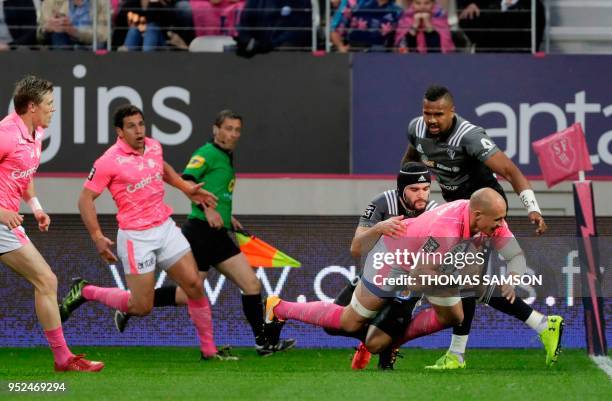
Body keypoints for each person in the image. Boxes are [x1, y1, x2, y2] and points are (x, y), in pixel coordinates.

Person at [263, 189, 558, 369]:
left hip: (428, 266)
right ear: (477, 215)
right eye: (496, 221)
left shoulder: (490, 219)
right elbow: (419, 277)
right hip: (393, 258)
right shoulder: (446, 229)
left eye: (501, 220)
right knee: (349, 322)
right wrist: (464, 280)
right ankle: (279, 307)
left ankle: (388, 343)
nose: (500, 226)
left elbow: (515, 255)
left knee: (454, 314)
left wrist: (513, 275)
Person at [401, 84, 562, 369]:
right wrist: (405, 195)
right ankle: (542, 324)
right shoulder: (417, 128)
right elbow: (411, 161)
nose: (432, 120)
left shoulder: (470, 137)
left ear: (452, 111)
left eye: (439, 113)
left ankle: (456, 354)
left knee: (465, 282)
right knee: (472, 285)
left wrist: (532, 208)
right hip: (455, 213)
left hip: (484, 212)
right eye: (427, 113)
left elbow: (511, 171)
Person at [58, 105, 236, 361]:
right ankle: (86, 291)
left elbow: (161, 168)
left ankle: (209, 351)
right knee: (142, 306)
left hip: (164, 228)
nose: (139, 130)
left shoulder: (153, 146)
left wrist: (186, 188)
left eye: (141, 124)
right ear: (120, 131)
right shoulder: (108, 161)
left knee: (195, 285)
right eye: (131, 126)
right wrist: (98, 237)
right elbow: (85, 200)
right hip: (136, 237)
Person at [114, 109, 295, 355]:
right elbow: (188, 180)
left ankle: (264, 342)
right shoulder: (206, 153)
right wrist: (207, 210)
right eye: (228, 128)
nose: (233, 134)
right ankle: (131, 305)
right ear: (216, 129)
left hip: (218, 234)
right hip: (199, 231)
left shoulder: (225, 155)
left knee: (251, 284)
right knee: (188, 294)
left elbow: (216, 189)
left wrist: (225, 213)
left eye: (237, 130)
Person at [0, 75, 103, 372]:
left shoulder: (36, 133)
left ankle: (63, 358)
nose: (53, 110)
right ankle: (63, 358)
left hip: (9, 222)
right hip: (2, 220)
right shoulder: (6, 134)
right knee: (46, 281)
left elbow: (24, 175)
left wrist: (36, 207)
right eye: (49, 104)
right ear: (31, 107)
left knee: (46, 281)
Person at [324, 162, 438, 370]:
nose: (421, 195)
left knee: (378, 349)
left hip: (407, 284)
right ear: (401, 190)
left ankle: (388, 344)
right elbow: (356, 249)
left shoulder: (435, 213)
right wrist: (378, 228)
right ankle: (377, 336)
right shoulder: (382, 203)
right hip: (374, 276)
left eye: (426, 189)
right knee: (331, 325)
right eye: (414, 190)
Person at [37, 0, 109, 50]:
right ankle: (63, 67)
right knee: (58, 35)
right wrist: (47, 28)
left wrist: (74, 31)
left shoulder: (102, 3)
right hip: (61, 44)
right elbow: (39, 36)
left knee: (100, 44)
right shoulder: (51, 2)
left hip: (91, 46)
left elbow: (104, 35)